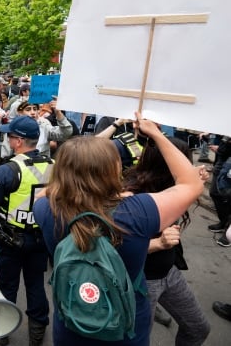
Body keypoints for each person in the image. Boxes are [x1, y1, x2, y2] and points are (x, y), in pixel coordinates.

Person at [32, 112, 203, 346]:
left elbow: (53, 187)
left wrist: (77, 160)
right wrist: (155, 133)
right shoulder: (136, 212)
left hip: (71, 322)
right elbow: (191, 183)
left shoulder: (45, 208)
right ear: (114, 170)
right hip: (122, 331)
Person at [123, 137, 210, 345]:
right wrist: (158, 244)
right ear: (165, 164)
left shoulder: (172, 185)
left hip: (169, 273)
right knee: (136, 339)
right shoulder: (129, 195)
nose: (187, 165)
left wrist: (195, 180)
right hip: (142, 280)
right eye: (183, 160)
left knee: (198, 328)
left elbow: (184, 190)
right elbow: (116, 246)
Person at [0, 116, 53, 346]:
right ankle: (37, 332)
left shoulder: (6, 171)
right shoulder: (55, 166)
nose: (8, 139)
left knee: (6, 285)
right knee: (35, 284)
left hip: (9, 241)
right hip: (41, 238)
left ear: (18, 141)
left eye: (10, 136)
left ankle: (3, 330)